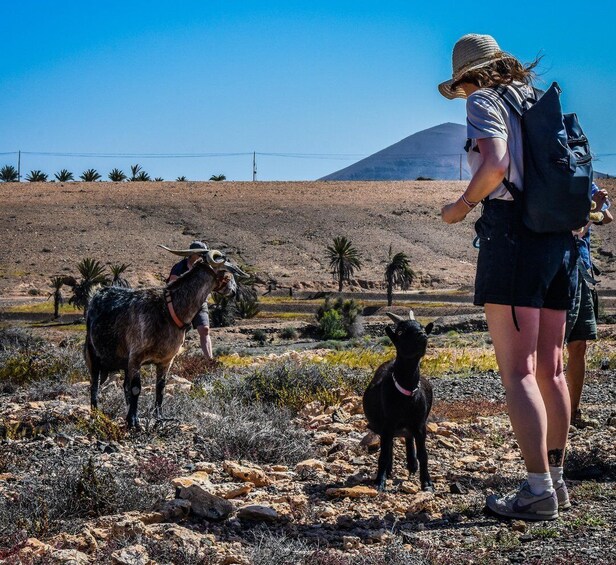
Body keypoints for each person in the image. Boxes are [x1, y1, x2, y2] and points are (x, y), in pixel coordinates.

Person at [439, 34, 578, 520]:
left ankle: (537, 489)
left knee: (518, 370)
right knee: (552, 368)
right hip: (558, 238)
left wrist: (461, 206)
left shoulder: (484, 101)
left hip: (513, 236)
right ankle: (556, 482)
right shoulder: (537, 100)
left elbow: (496, 163)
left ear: (468, 78)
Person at [566, 184, 612, 428]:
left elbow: (607, 216)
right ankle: (554, 413)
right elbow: (575, 229)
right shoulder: (553, 173)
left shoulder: (586, 179)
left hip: (582, 269)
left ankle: (573, 412)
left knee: (579, 343)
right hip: (560, 268)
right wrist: (593, 207)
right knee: (552, 348)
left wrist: (596, 207)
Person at [168, 240, 213, 361]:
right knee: (178, 333)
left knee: (204, 329)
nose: (202, 256)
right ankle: (173, 360)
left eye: (204, 254)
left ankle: (210, 360)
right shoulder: (179, 267)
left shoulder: (205, 268)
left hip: (199, 303)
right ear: (192, 254)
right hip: (181, 306)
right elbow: (171, 286)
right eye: (200, 253)